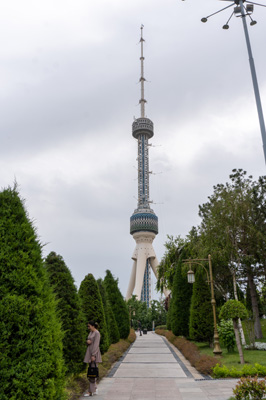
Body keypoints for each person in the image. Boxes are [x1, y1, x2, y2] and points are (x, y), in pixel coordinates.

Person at [83, 320, 102, 397]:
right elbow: (89, 341)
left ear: (93, 326)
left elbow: (96, 344)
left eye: (89, 326)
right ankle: (95, 388)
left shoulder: (97, 333)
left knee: (92, 372)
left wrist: (93, 355)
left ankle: (90, 391)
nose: (88, 327)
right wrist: (87, 341)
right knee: (92, 371)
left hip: (94, 354)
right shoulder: (91, 332)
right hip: (89, 352)